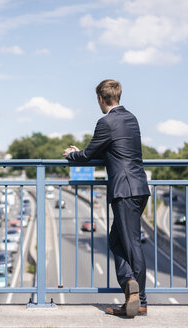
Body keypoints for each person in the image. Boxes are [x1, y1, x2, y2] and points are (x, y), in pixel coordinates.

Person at [63, 79, 150, 317]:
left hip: (124, 190)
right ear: (118, 96)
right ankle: (131, 288)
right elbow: (114, 148)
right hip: (140, 186)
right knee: (116, 241)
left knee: (130, 244)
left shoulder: (106, 122)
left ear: (101, 99)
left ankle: (138, 298)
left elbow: (89, 153)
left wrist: (72, 154)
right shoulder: (132, 119)